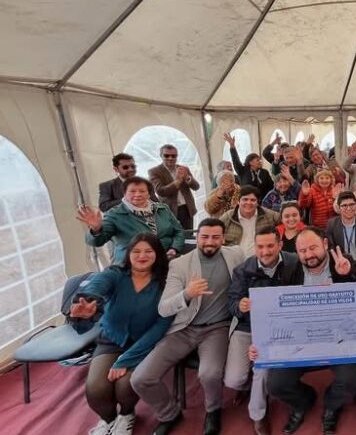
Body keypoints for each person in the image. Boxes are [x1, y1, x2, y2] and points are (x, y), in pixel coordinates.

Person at [130, 219, 245, 435]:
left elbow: (257, 266)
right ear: (197, 238)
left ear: (223, 239)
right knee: (141, 378)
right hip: (184, 328)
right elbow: (164, 308)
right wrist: (187, 294)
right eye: (204, 237)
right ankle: (169, 414)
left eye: (215, 237)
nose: (209, 241)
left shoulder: (236, 254)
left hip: (218, 328)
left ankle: (213, 411)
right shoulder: (180, 265)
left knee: (209, 374)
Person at [266, 228, 356, 435]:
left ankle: (331, 406)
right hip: (302, 341)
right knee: (276, 384)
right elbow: (277, 310)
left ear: (325, 244)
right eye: (302, 251)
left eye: (313, 248)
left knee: (350, 381)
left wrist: (349, 274)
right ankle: (304, 401)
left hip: (339, 340)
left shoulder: (342, 262)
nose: (308, 255)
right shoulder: (289, 270)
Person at [70, 233, 173, 435]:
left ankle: (127, 415)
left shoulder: (166, 283)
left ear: (157, 254)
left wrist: (125, 360)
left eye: (148, 251)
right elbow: (97, 284)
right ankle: (108, 419)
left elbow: (160, 328)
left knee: (125, 386)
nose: (142, 256)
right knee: (96, 389)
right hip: (111, 339)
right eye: (136, 251)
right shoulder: (116, 274)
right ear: (128, 254)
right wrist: (88, 299)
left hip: (143, 344)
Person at [226, 227, 299, 435]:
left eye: (270, 246)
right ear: (254, 247)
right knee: (234, 380)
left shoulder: (294, 263)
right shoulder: (242, 270)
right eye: (260, 246)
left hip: (279, 328)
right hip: (247, 326)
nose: (265, 251)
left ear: (280, 245)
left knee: (262, 367)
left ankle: (257, 415)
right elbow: (231, 303)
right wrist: (239, 306)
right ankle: (249, 384)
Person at [79, 176, 184, 264]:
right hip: (131, 265)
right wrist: (96, 229)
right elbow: (97, 241)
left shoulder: (162, 208)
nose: (137, 194)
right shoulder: (114, 214)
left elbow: (179, 231)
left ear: (148, 194)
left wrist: (174, 248)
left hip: (165, 260)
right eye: (132, 191)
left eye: (142, 191)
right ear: (124, 194)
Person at [148, 144, 200, 230]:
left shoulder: (184, 169)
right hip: (170, 210)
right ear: (161, 156)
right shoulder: (154, 171)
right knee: (174, 235)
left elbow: (196, 187)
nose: (170, 158)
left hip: (187, 208)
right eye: (166, 155)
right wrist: (177, 182)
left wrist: (187, 178)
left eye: (173, 156)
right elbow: (160, 191)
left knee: (189, 234)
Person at [219, 186, 280, 258]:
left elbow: (286, 220)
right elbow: (213, 231)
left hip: (261, 259)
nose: (248, 202)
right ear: (238, 201)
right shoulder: (228, 217)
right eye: (245, 199)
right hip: (234, 259)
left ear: (257, 203)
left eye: (253, 200)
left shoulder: (268, 215)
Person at [225, 133, 274, 200]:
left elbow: (271, 187)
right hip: (247, 201)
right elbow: (235, 160)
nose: (260, 161)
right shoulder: (242, 171)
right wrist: (232, 146)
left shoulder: (264, 172)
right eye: (257, 160)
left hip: (263, 202)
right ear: (250, 162)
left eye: (260, 160)